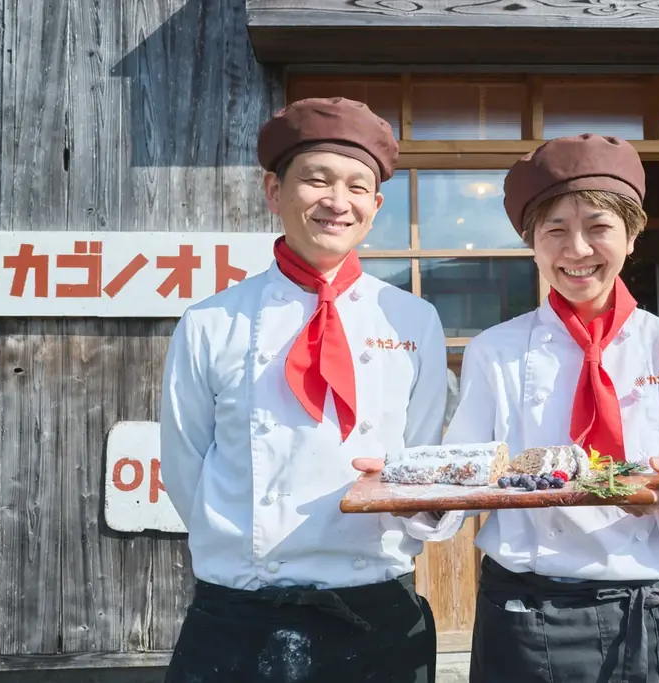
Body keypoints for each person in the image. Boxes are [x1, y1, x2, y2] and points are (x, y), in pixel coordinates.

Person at [400, 134, 659, 682]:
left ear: (632, 236)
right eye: (555, 230)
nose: (577, 250)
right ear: (532, 242)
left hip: (650, 608)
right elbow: (468, 472)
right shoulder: (496, 349)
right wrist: (411, 490)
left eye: (599, 227)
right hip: (523, 611)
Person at [159, 96, 450, 683]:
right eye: (317, 180)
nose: (337, 202)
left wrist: (425, 506)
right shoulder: (212, 321)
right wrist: (240, 548)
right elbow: (184, 464)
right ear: (274, 192)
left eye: (356, 187)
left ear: (375, 205)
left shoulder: (413, 320)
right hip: (243, 610)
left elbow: (424, 459)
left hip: (377, 602)